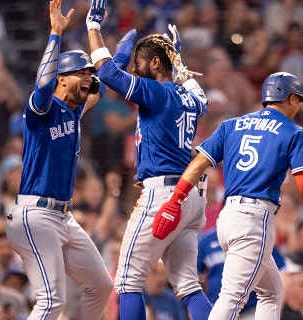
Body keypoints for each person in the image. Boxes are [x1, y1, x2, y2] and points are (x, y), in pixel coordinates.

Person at [152, 71, 303, 319]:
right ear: (289, 99)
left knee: (272, 290)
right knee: (233, 298)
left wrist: (175, 199)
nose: (298, 105)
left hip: (227, 219)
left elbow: (198, 165)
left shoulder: (231, 124)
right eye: (297, 99)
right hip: (253, 220)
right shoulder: (293, 131)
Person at [86, 1, 213, 319]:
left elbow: (107, 73)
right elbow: (203, 100)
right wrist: (177, 60)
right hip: (190, 197)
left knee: (127, 280)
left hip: (164, 194)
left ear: (155, 62)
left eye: (138, 63)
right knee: (188, 285)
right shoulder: (192, 96)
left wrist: (93, 28)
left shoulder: (157, 93)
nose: (133, 68)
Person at [4, 0, 113, 319]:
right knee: (51, 302)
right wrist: (55, 33)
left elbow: (107, 79)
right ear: (62, 78)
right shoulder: (42, 109)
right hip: (34, 214)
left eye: (88, 73)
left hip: (63, 217)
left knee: (101, 286)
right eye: (82, 73)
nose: (88, 78)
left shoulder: (75, 109)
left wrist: (97, 31)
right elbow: (42, 84)